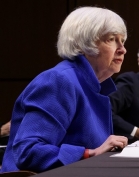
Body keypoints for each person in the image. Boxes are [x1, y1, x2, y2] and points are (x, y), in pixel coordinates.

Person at [1, 6, 128, 173]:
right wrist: (90, 153)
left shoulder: (94, 86)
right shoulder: (59, 81)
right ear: (83, 43)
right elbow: (28, 151)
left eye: (123, 41)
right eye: (111, 39)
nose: (122, 49)